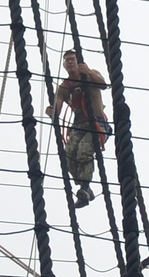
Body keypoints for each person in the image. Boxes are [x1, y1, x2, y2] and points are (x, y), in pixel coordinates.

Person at [46, 50, 110, 208]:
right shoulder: (64, 87)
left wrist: (87, 71)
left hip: (97, 123)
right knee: (68, 157)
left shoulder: (90, 75)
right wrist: (52, 111)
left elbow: (103, 84)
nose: (70, 62)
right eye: (67, 60)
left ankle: (85, 188)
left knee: (84, 151)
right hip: (78, 125)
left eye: (73, 59)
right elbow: (58, 107)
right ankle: (85, 186)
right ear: (64, 65)